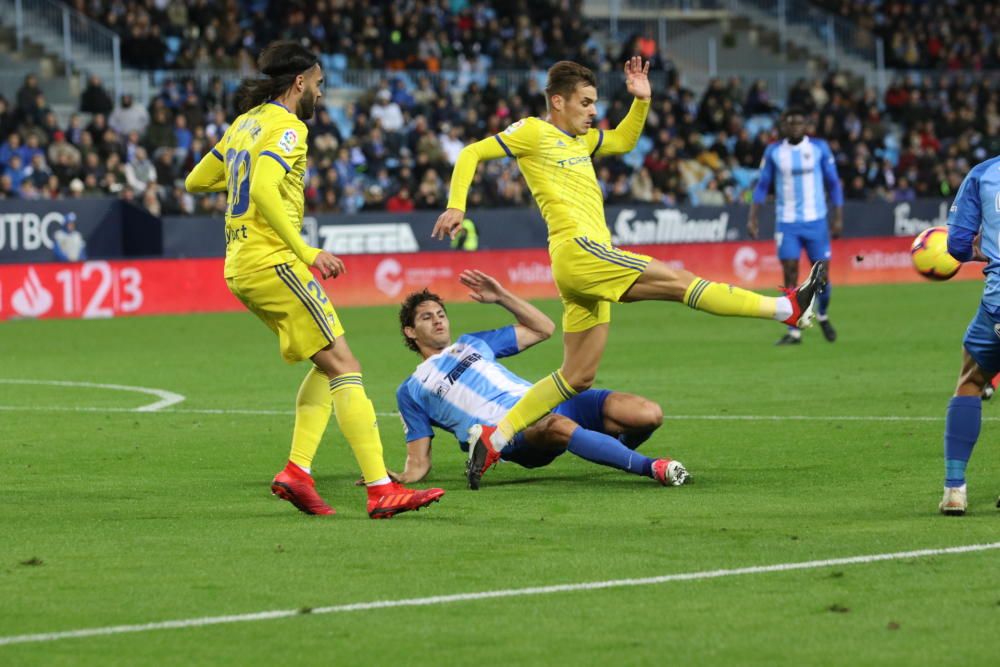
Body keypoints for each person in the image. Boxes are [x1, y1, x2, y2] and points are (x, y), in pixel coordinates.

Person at [432, 58, 826, 488]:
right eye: (585, 103)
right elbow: (472, 152)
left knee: (577, 376)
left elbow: (622, 140)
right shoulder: (532, 130)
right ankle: (784, 307)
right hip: (581, 252)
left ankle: (495, 437)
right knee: (679, 282)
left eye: (595, 102)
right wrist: (457, 204)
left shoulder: (580, 141)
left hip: (582, 264)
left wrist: (642, 100)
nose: (592, 111)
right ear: (557, 101)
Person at [184, 40, 444, 519]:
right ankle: (381, 487)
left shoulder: (244, 124)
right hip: (274, 261)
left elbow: (196, 181)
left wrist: (239, 179)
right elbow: (262, 187)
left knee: (327, 365)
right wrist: (305, 249)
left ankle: (298, 472)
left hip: (239, 266)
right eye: (319, 84)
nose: (321, 94)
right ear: (300, 81)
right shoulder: (287, 126)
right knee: (346, 364)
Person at [395, 272, 689, 489]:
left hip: (546, 401)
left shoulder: (472, 343)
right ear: (410, 332)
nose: (438, 320)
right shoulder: (411, 390)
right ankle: (652, 468)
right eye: (426, 317)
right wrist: (399, 477)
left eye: (441, 314)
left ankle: (605, 450)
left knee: (649, 414)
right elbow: (419, 460)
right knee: (558, 427)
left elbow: (543, 328)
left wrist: (502, 297)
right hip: (510, 432)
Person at [747, 107, 843, 345]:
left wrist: (838, 216)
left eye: (799, 123)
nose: (794, 127)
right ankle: (794, 330)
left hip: (816, 220)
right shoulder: (774, 151)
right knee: (789, 271)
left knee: (822, 274)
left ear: (806, 124)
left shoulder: (819, 148)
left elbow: (833, 183)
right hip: (787, 222)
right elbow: (762, 185)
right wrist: (753, 216)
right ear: (783, 126)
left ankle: (822, 314)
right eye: (790, 123)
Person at [937, 155, 996, 516]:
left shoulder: (984, 174)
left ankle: (954, 489)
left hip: (998, 304)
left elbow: (957, 245)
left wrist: (976, 251)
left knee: (971, 381)